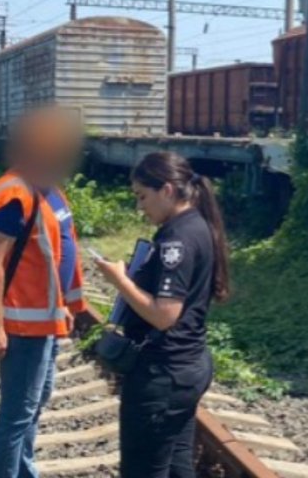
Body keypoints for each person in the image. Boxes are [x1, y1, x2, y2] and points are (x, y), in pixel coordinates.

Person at [94, 152, 231, 478]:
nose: (140, 207)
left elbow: (164, 315)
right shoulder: (196, 225)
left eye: (143, 196)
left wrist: (120, 280)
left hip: (163, 373)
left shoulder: (177, 239)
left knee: (144, 470)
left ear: (167, 190)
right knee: (175, 467)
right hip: (187, 365)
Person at [0, 106, 89, 478]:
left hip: (48, 319)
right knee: (16, 416)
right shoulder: (14, 193)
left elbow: (58, 253)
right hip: (22, 325)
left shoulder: (50, 191)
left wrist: (66, 305)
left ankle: (25, 472)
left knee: (33, 407)